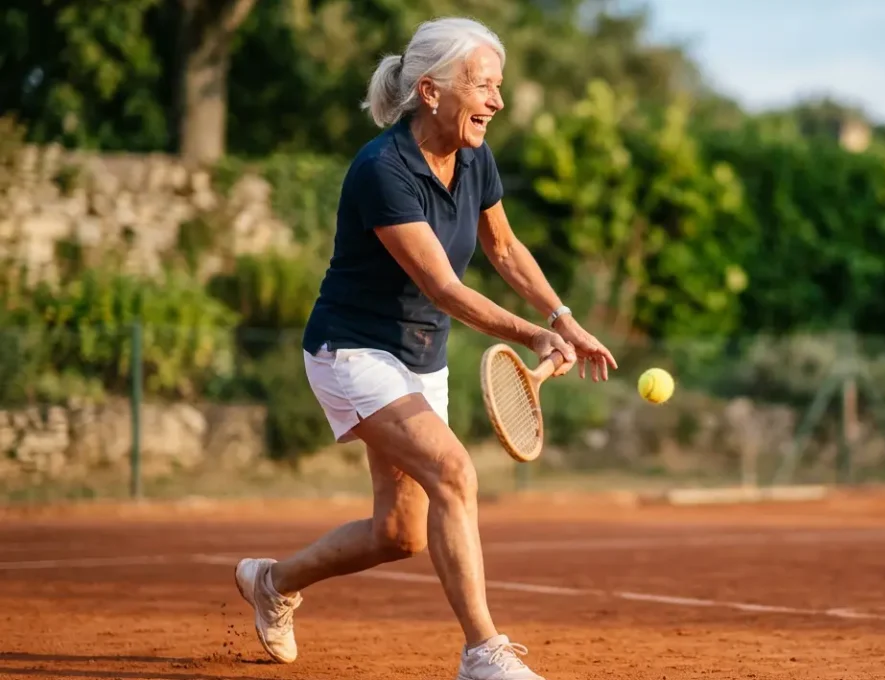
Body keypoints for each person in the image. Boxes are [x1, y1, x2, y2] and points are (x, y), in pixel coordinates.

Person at [231, 17, 616, 680]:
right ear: (432, 92)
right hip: (352, 349)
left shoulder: (475, 157)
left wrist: (563, 318)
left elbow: (503, 249)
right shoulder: (383, 169)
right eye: (484, 85)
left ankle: (272, 582)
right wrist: (530, 334)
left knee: (399, 534)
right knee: (455, 473)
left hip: (419, 355)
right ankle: (483, 653)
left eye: (500, 86)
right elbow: (442, 286)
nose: (497, 100)